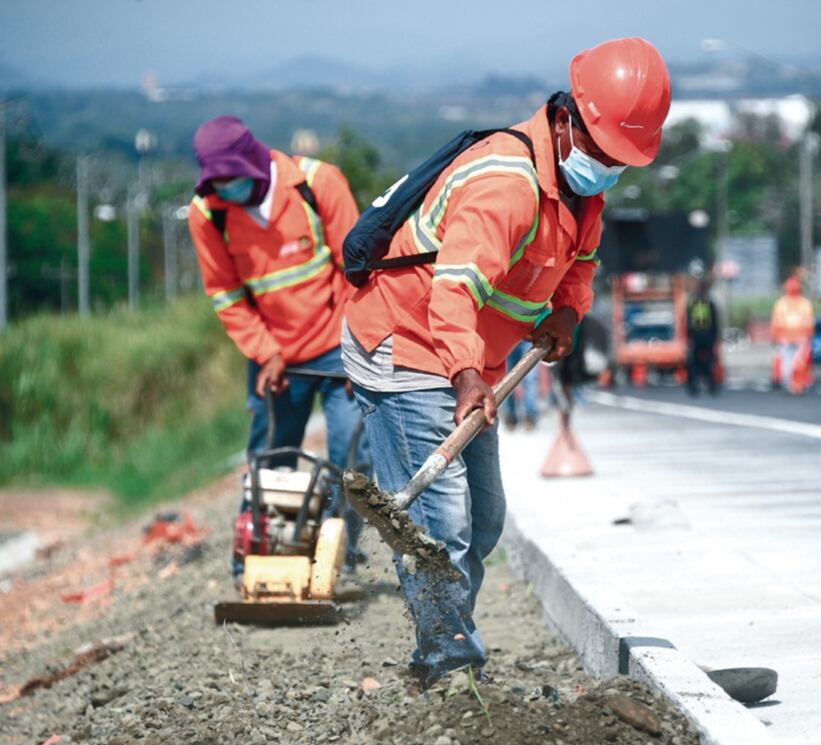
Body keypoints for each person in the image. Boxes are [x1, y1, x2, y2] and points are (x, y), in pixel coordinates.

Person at [342, 38, 671, 689]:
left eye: (619, 161)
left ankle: (449, 641)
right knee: (442, 523)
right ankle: (443, 662)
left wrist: (568, 315)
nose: (608, 168)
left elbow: (579, 265)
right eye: (603, 153)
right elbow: (454, 290)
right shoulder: (506, 183)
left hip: (469, 358)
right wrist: (468, 377)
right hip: (407, 344)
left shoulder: (582, 194)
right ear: (567, 119)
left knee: (483, 519)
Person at [187, 116, 370, 577]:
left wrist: (357, 348)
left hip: (337, 346)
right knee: (272, 458)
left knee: (350, 452)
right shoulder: (208, 212)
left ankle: (335, 553)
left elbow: (358, 272)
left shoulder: (317, 183)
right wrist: (265, 351)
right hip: (275, 356)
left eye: (232, 181)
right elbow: (226, 295)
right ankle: (268, 558)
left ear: (254, 163)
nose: (225, 190)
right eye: (218, 183)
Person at [770, 275, 815, 394]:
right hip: (800, 338)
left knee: (787, 362)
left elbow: (776, 322)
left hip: (786, 338)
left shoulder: (781, 303)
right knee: (800, 362)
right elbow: (809, 323)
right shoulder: (804, 304)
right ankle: (798, 383)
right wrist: (809, 336)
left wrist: (775, 337)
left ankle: (790, 383)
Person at [685, 278, 720, 395]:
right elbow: (715, 321)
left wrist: (689, 336)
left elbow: (688, 321)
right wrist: (716, 337)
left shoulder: (693, 303)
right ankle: (712, 386)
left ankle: (693, 386)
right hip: (708, 335)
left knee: (694, 362)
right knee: (709, 360)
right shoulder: (710, 303)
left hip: (696, 335)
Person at [501, 340, 540, 430]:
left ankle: (530, 415)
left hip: (529, 337)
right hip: (509, 337)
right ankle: (510, 415)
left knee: (530, 378)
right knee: (508, 379)